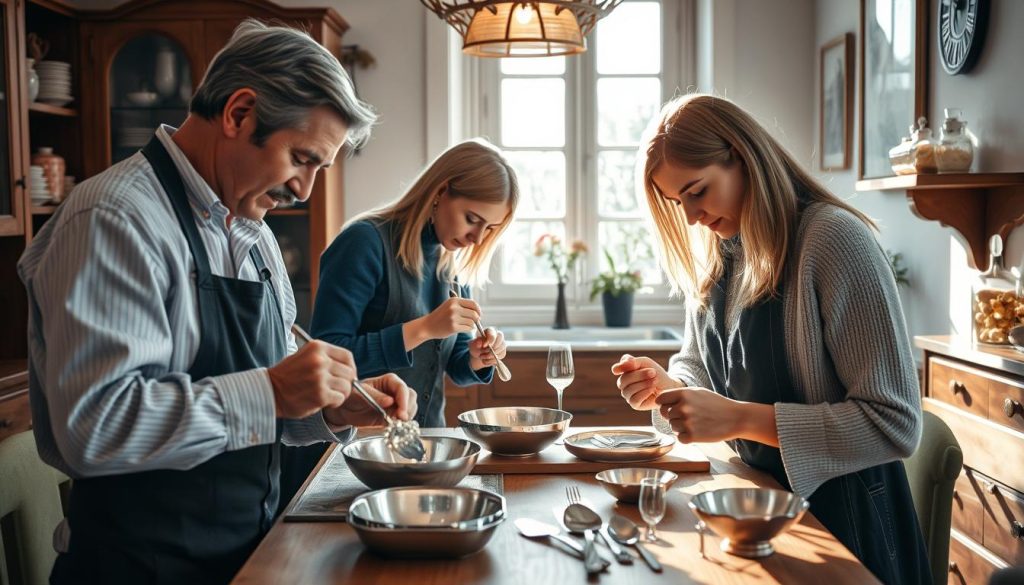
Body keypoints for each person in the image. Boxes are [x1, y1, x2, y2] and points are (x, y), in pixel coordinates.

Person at [17, 20, 414, 585]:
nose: (305, 189)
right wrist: (274, 390)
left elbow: (262, 411)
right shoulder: (114, 220)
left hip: (249, 558)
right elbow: (94, 428)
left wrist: (326, 410)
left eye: (318, 169)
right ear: (239, 114)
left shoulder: (255, 237)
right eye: (302, 158)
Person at [612, 94, 930, 584]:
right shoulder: (720, 252)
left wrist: (738, 418)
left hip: (847, 531)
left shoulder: (835, 241)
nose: (693, 216)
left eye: (698, 190)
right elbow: (698, 369)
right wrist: (666, 388)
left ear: (743, 157)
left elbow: (894, 424)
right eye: (680, 202)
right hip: (752, 517)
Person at [311, 139, 517, 428]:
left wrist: (477, 357)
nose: (477, 239)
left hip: (427, 441)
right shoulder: (364, 242)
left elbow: (454, 366)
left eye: (490, 229)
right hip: (357, 443)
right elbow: (324, 358)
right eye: (472, 219)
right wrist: (423, 329)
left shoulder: (451, 263)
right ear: (440, 191)